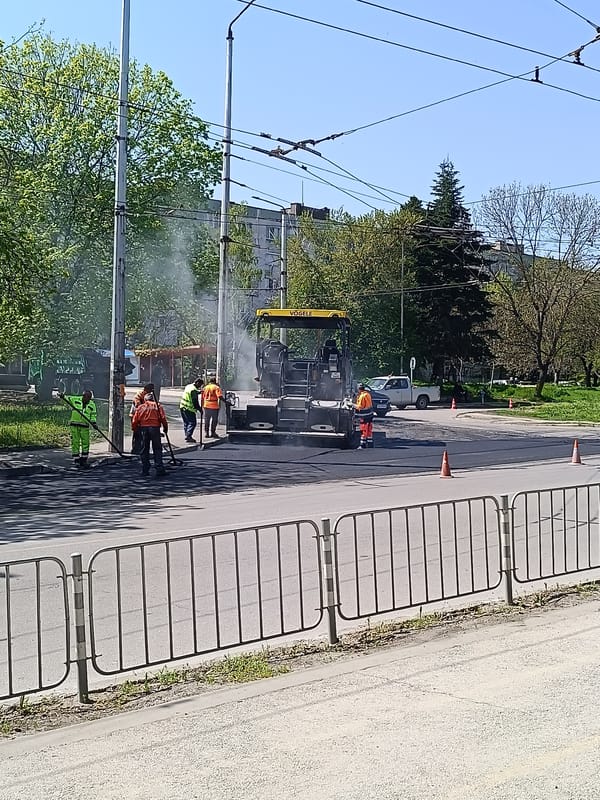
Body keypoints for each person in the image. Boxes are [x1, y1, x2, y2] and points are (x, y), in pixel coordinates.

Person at [131, 391, 168, 477]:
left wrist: (135, 429)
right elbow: (163, 418)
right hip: (155, 429)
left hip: (143, 429)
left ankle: (145, 469)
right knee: (157, 449)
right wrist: (165, 427)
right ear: (153, 399)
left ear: (145, 400)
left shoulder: (141, 407)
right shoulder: (157, 406)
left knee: (144, 449)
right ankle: (159, 468)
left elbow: (135, 420)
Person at [58, 389, 98, 468]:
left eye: (89, 398)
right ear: (83, 396)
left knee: (85, 442)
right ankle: (76, 459)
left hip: (85, 426)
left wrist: (94, 423)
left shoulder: (92, 404)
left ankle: (84, 459)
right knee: (75, 442)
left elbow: (93, 415)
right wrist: (62, 396)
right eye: (87, 397)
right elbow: (67, 399)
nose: (88, 399)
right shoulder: (75, 399)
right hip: (74, 425)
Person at [129, 383, 154, 454]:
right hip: (135, 416)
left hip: (141, 417)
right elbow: (139, 408)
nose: (150, 392)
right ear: (146, 389)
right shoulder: (138, 396)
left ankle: (141, 449)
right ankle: (135, 450)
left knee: (142, 434)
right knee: (137, 433)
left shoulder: (147, 395)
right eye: (150, 391)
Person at [179, 378, 204, 442]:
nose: (199, 387)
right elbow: (195, 402)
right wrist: (200, 410)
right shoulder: (193, 390)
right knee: (192, 423)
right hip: (189, 408)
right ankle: (188, 436)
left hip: (182, 406)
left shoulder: (189, 386)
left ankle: (187, 435)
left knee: (186, 422)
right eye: (200, 385)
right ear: (197, 383)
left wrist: (199, 392)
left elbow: (191, 393)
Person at [354, 383, 374, 449]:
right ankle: (370, 443)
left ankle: (363, 444)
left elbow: (360, 407)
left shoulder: (362, 396)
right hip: (370, 415)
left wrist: (352, 405)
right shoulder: (367, 394)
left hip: (364, 415)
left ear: (358, 389)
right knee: (369, 429)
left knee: (363, 430)